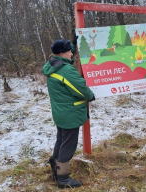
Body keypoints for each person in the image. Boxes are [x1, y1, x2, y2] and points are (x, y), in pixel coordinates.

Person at [42, 34, 95, 188]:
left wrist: (72, 44)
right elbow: (80, 88)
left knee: (61, 139)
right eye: (69, 51)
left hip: (61, 113)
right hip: (70, 113)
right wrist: (90, 96)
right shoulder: (66, 70)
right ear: (61, 54)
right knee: (68, 145)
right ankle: (63, 179)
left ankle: (55, 167)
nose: (72, 53)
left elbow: (67, 53)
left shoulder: (52, 65)